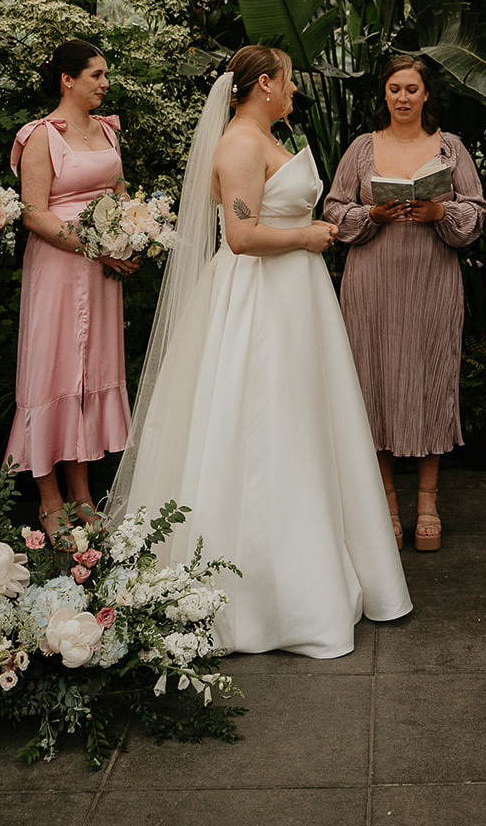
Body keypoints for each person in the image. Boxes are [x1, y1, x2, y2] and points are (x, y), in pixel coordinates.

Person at [109, 44, 412, 659]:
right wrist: (309, 235)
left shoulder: (264, 138)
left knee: (304, 424)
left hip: (296, 298)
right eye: (289, 80)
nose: (295, 90)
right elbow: (242, 236)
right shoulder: (241, 146)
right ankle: (261, 595)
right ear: (265, 84)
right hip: (261, 301)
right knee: (265, 425)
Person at [323, 53, 486, 552]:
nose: (402, 97)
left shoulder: (450, 148)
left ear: (426, 94)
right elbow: (333, 209)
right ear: (384, 93)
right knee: (373, 382)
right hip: (372, 283)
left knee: (431, 379)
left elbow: (476, 212)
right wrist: (371, 214)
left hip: (433, 281)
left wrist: (440, 212)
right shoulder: (362, 148)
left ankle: (429, 503)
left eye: (411, 89)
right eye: (394, 88)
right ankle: (388, 506)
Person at [4, 39, 137, 541]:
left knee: (88, 373)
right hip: (59, 267)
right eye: (96, 75)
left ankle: (82, 493)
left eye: (105, 74)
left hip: (102, 273)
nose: (105, 83)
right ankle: (49, 499)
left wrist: (135, 232)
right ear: (68, 80)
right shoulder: (41, 135)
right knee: (52, 371)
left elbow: (119, 193)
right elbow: (33, 213)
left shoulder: (107, 130)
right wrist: (95, 247)